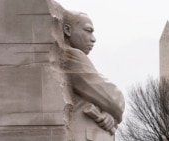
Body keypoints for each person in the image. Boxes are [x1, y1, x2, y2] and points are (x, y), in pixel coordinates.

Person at [50, 9, 125, 141]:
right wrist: (112, 109)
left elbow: (104, 100)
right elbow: (113, 97)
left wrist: (109, 114)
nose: (93, 39)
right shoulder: (72, 56)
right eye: (88, 31)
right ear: (67, 30)